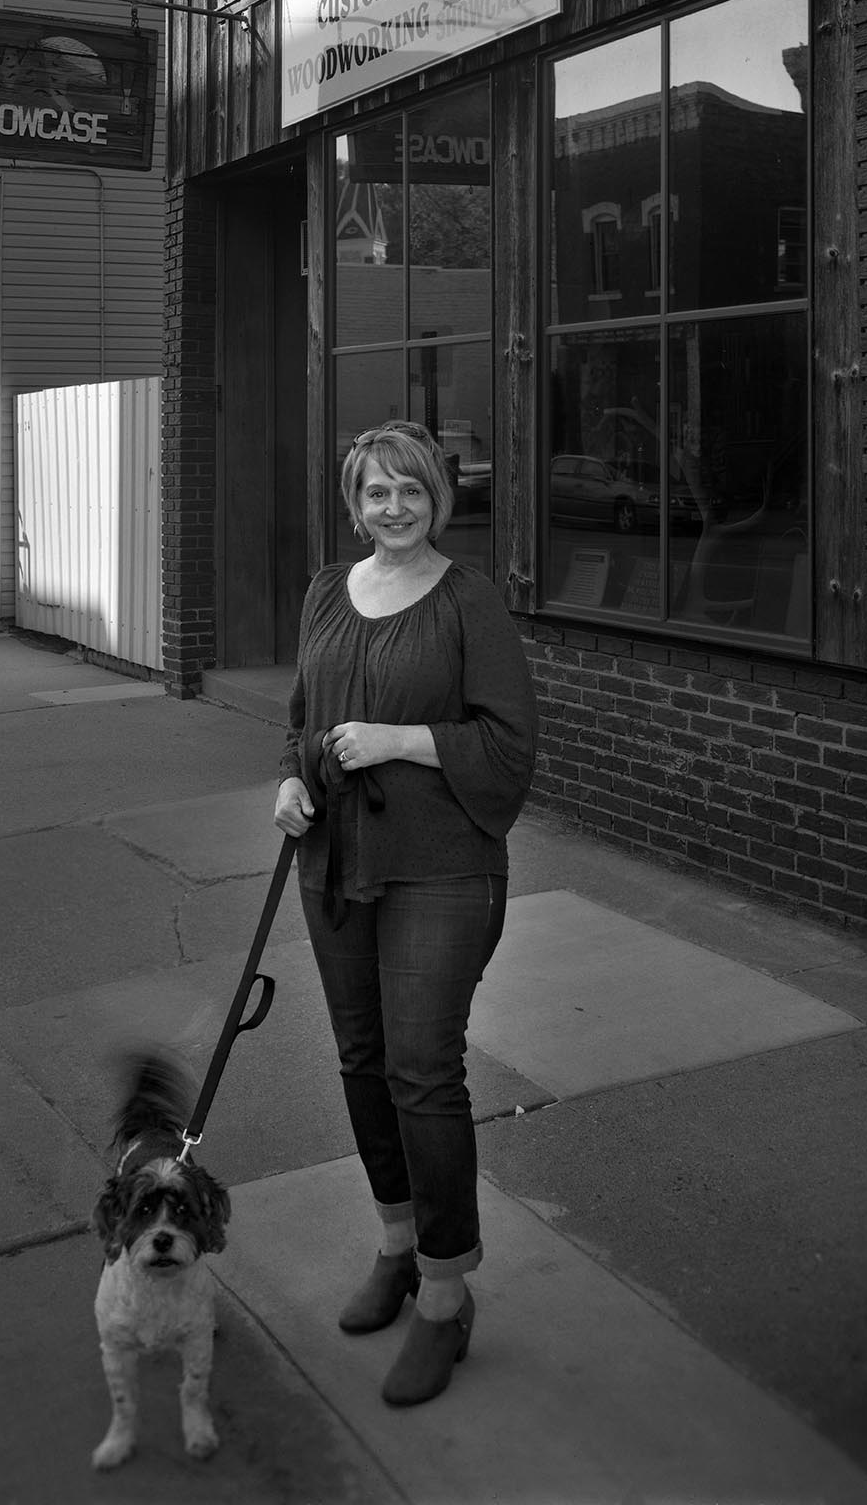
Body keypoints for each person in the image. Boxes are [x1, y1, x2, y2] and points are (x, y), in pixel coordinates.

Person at [274, 419, 538, 1407]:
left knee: (422, 1069)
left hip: (441, 870)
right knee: (361, 1058)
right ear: (355, 504)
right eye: (376, 492)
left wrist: (398, 738)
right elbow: (301, 721)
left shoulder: (470, 601)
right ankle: (395, 1241)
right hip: (335, 863)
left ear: (438, 498)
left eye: (411, 490)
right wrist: (289, 782)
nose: (394, 507)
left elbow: (509, 744)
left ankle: (445, 1290)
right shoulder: (324, 593)